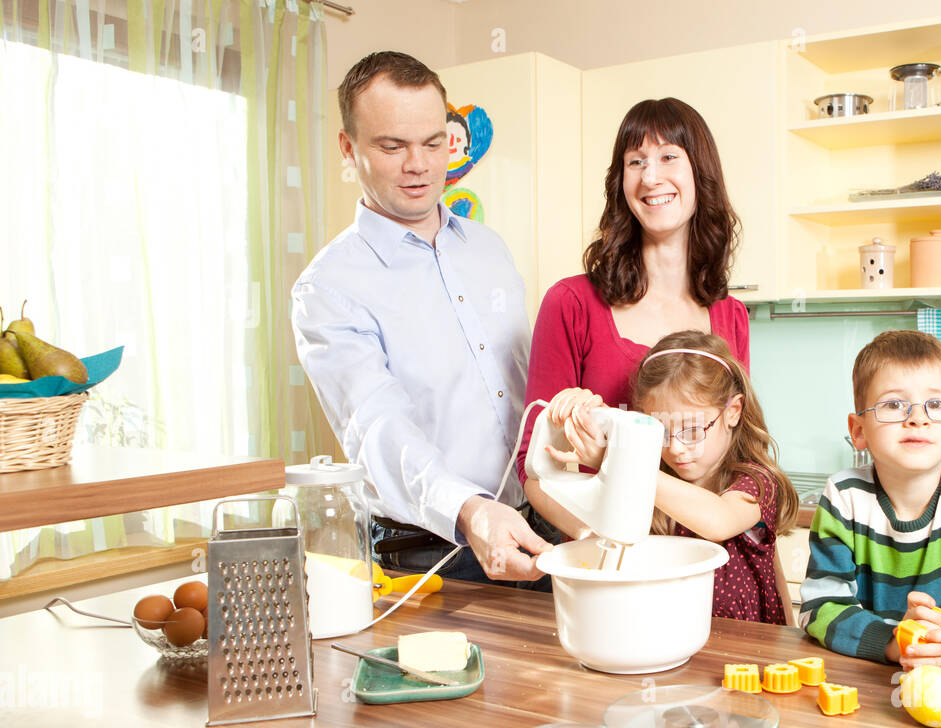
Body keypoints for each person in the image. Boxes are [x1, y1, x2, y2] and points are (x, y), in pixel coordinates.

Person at [290, 51, 554, 583]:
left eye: (434, 143)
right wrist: (471, 511)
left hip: (535, 528)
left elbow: (531, 391)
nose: (420, 164)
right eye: (393, 146)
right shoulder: (329, 288)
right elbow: (378, 427)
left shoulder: (489, 249)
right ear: (349, 149)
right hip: (426, 553)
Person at [519, 98, 751, 540]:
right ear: (620, 182)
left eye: (668, 157)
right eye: (635, 161)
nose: (650, 176)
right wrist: (608, 544)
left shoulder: (730, 315)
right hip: (601, 556)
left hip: (694, 558)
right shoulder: (571, 303)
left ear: (700, 174)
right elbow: (537, 468)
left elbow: (737, 451)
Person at [799, 330, 941, 672]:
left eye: (937, 404)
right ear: (858, 431)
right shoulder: (843, 496)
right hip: (862, 676)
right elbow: (820, 606)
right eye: (893, 405)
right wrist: (893, 642)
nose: (918, 417)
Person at [545, 331, 798, 625]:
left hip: (746, 653)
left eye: (692, 430)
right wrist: (575, 421)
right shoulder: (650, 486)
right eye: (662, 432)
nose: (676, 448)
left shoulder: (757, 481)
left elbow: (719, 520)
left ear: (733, 412)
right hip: (672, 641)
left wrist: (621, 460)